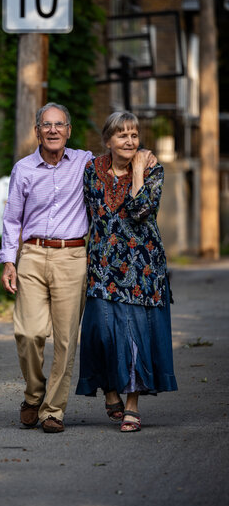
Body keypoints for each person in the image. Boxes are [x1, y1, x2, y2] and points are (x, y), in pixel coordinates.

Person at [75, 111, 178, 432]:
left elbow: (138, 210)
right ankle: (109, 391)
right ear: (108, 141)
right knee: (102, 333)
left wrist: (136, 172)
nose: (130, 141)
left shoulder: (152, 169)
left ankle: (132, 403)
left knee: (135, 337)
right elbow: (96, 211)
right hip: (103, 264)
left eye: (134, 135)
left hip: (143, 266)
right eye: (123, 135)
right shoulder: (92, 170)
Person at [0, 102, 91, 433]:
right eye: (46, 125)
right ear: (37, 131)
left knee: (66, 340)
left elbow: (119, 158)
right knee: (28, 331)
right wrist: (9, 260)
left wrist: (145, 156)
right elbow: (12, 219)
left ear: (69, 131)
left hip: (72, 257)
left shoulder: (85, 161)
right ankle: (34, 393)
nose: (53, 130)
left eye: (59, 125)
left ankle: (52, 410)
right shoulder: (23, 169)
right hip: (33, 255)